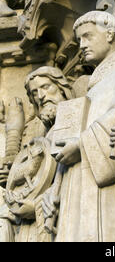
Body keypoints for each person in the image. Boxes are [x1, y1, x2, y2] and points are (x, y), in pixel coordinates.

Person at [53, 11, 115, 242]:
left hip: (100, 168)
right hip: (82, 171)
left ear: (109, 34)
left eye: (87, 36)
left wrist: (81, 143)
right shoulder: (96, 80)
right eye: (78, 40)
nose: (82, 45)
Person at [0, 67, 74, 242]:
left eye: (46, 87)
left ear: (62, 87)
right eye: (34, 93)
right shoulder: (41, 133)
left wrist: (35, 207)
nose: (41, 96)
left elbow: (74, 182)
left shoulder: (75, 120)